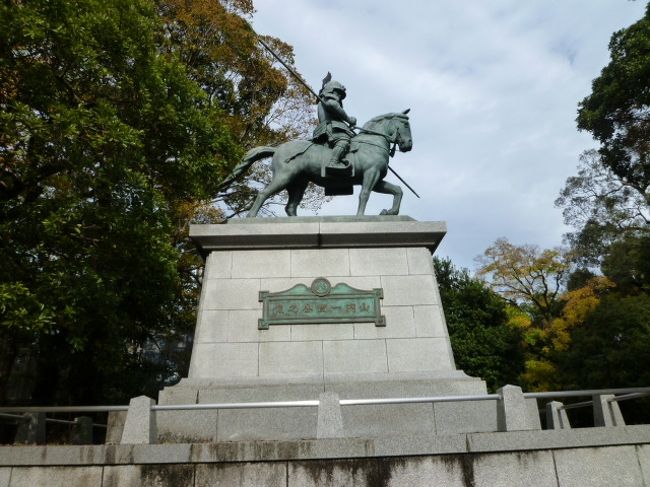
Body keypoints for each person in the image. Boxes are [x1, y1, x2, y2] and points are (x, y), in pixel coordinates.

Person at [312, 73, 357, 176]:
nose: (340, 96)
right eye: (339, 93)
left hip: (334, 126)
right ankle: (333, 162)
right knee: (344, 141)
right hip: (330, 127)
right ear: (332, 91)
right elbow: (333, 105)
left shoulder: (326, 100)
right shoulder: (328, 100)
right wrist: (349, 119)